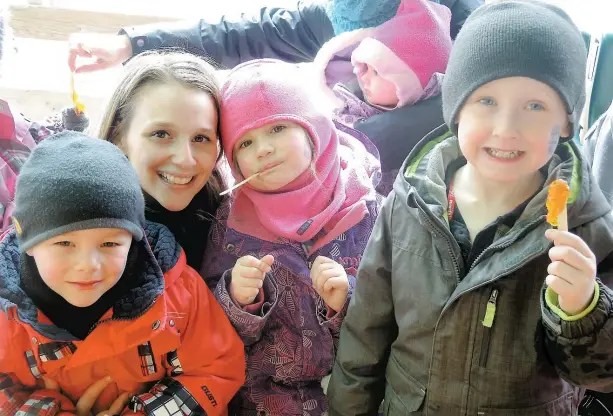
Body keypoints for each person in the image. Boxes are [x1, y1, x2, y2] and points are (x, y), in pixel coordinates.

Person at [327, 1, 613, 414]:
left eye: (535, 106)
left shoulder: (589, 227)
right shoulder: (408, 203)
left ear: (566, 122)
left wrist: (582, 311)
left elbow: (600, 375)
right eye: (486, 101)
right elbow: (364, 336)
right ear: (456, 109)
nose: (506, 128)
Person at [66, 0, 482, 179]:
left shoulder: (471, 33)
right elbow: (257, 31)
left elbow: (465, 112)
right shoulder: (347, 12)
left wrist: (343, 152)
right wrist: (133, 44)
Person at [0, 132, 245, 415]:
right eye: (64, 243)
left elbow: (217, 368)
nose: (89, 264)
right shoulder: (8, 313)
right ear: (27, 241)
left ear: (135, 239)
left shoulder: (178, 292)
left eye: (110, 243)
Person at [200, 59, 381, 415]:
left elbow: (400, 306)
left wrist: (345, 299)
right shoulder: (231, 221)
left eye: (278, 128)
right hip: (263, 403)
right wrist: (238, 300)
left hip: (355, 396)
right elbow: (209, 328)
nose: (263, 149)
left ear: (313, 127)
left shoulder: (368, 208)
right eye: (245, 142)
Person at [95, 50, 228, 270]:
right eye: (161, 134)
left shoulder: (228, 222)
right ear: (118, 135)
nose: (185, 160)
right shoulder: (80, 222)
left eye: (201, 138)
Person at [315, 0, 453, 193]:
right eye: (364, 67)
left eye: (377, 72)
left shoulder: (446, 131)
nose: (363, 76)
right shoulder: (346, 113)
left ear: (410, 85)